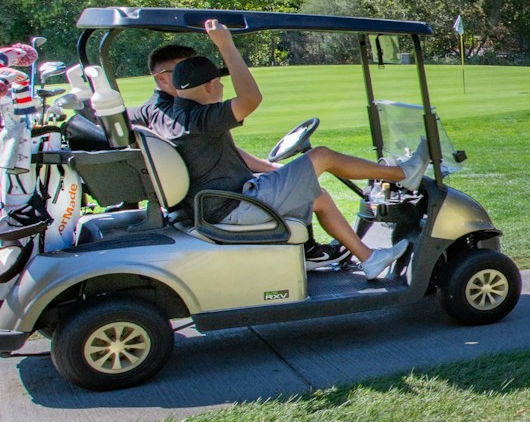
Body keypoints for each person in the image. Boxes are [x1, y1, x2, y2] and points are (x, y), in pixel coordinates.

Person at [147, 21, 425, 279]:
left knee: (318, 196)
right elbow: (251, 98)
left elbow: (226, 152)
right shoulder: (202, 120)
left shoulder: (167, 115)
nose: (221, 87)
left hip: (219, 203)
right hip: (233, 208)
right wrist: (225, 45)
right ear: (209, 87)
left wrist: (270, 169)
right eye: (219, 83)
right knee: (322, 156)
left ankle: (368, 258)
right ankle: (402, 174)